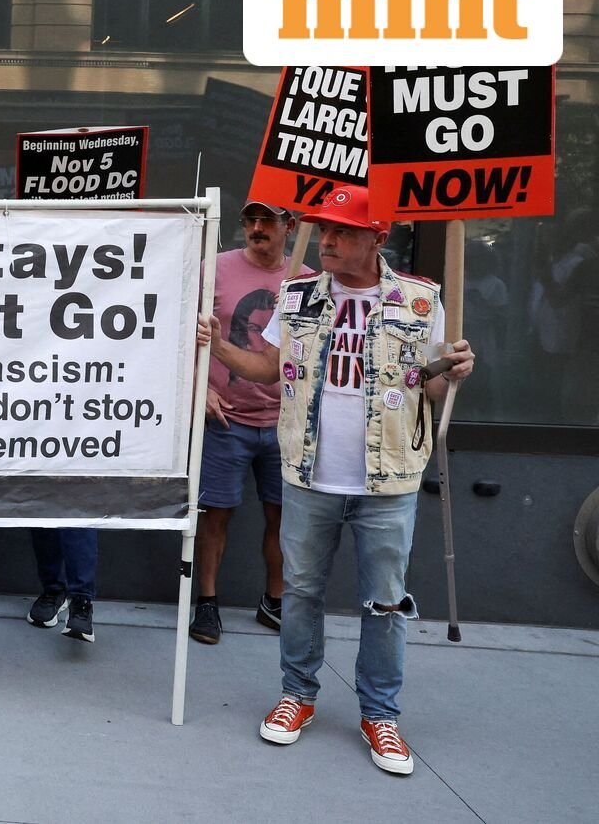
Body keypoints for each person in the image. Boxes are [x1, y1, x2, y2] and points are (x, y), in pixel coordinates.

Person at [200, 185, 475, 775]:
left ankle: (380, 715)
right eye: (324, 230)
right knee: (300, 593)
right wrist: (217, 344)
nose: (326, 241)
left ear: (377, 238)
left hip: (389, 479)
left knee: (383, 602)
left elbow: (427, 388)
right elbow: (266, 370)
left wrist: (453, 373)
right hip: (308, 473)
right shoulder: (296, 295)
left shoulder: (421, 301)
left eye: (342, 232)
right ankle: (297, 695)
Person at [189, 200, 313, 644]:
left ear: (290, 227)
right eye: (250, 220)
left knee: (283, 517)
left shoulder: (309, 281)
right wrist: (196, 387)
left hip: (284, 422)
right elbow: (176, 330)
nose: (256, 228)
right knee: (214, 514)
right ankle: (205, 602)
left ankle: (273, 600)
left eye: (267, 221)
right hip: (226, 418)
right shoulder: (213, 269)